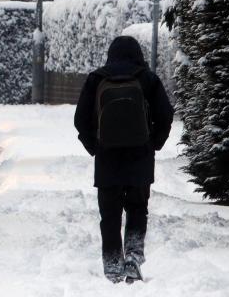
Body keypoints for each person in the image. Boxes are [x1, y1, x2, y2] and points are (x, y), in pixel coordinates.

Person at [74, 36, 173, 283]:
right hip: (140, 156)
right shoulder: (148, 79)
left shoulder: (97, 78)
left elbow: (80, 119)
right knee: (138, 209)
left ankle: (112, 264)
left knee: (109, 213)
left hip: (107, 158)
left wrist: (94, 146)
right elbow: (166, 115)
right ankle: (133, 258)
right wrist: (154, 144)